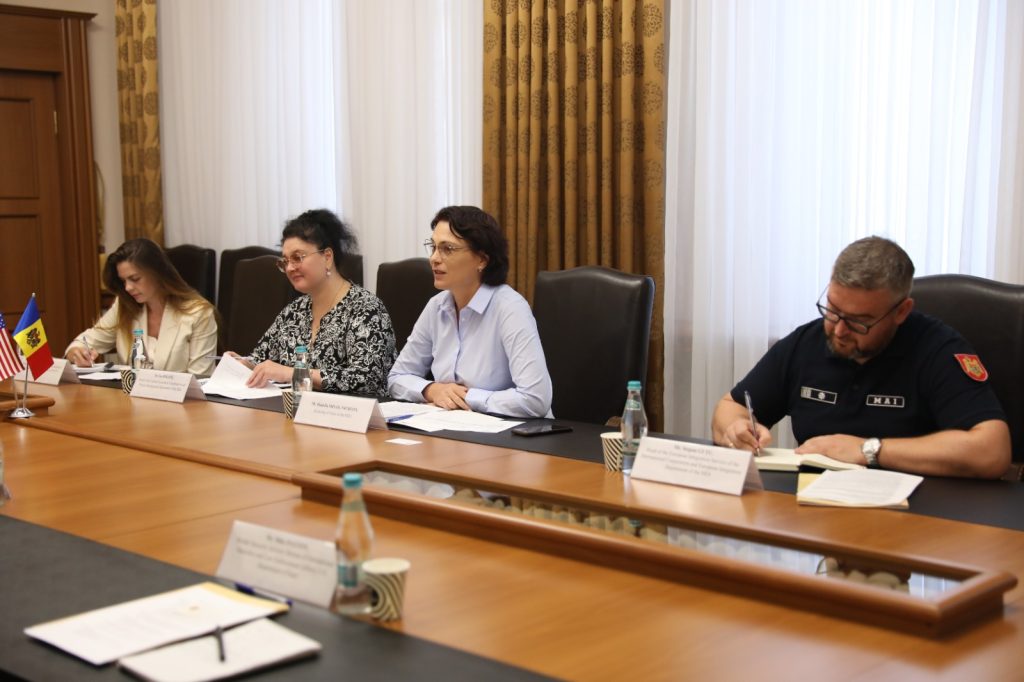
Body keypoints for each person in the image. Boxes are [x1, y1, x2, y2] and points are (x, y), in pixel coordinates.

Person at [711, 236, 1011, 479]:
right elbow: (731, 407)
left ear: (901, 311)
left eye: (859, 321)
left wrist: (868, 450)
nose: (839, 330)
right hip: (813, 505)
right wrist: (736, 430)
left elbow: (992, 452)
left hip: (917, 512)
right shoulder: (806, 343)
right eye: (832, 310)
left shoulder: (938, 350)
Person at [388, 206, 553, 418]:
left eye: (447, 249)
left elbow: (536, 399)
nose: (434, 258)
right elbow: (397, 377)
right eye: (433, 247)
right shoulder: (436, 306)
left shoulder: (510, 308)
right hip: (453, 426)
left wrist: (467, 398)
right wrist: (432, 390)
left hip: (515, 431)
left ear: (482, 260)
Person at [231, 209, 396, 398]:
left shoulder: (366, 309)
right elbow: (261, 358)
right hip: (294, 410)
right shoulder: (294, 311)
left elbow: (367, 379)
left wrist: (293, 373)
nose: (290, 268)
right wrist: (243, 363)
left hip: (351, 413)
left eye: (297, 258)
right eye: (285, 261)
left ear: (327, 257)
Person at [66, 238, 218, 375]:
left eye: (135, 279)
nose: (128, 288)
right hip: (129, 396)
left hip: (180, 397)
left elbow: (200, 380)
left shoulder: (199, 314)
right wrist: (77, 352)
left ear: (158, 273)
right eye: (123, 281)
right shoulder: (124, 305)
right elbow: (85, 341)